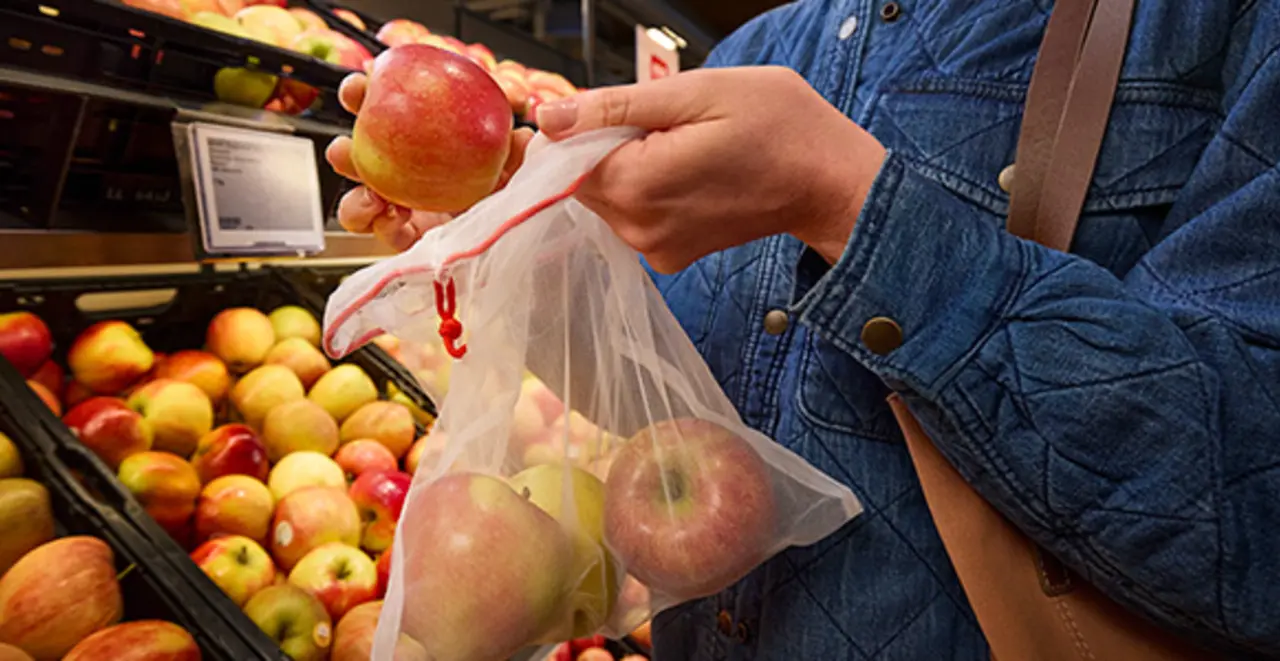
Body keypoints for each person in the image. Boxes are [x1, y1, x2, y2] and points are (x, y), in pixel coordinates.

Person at [326, 1, 1280, 658]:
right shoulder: (764, 44)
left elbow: (1254, 510)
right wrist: (511, 236)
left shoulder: (1216, 25)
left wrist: (852, 208)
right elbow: (683, 408)